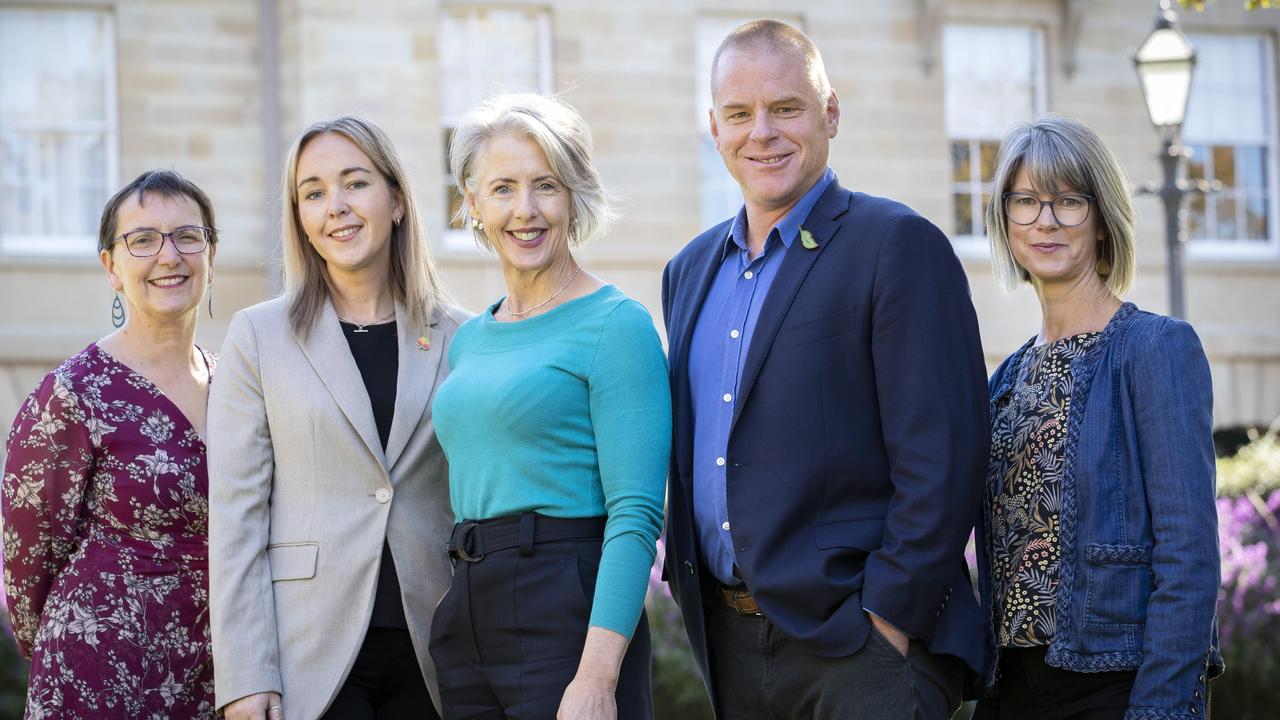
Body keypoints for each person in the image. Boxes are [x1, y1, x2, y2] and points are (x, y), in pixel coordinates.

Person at [661, 20, 989, 719]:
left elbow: (944, 454)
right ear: (713, 127)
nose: (763, 133)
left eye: (786, 108)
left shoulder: (895, 245)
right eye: (740, 114)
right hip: (731, 648)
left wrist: (888, 623)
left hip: (857, 653)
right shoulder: (687, 272)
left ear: (829, 112)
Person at [208, 116, 463, 720]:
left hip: (435, 651)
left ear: (397, 199)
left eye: (355, 183)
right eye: (314, 193)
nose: (337, 207)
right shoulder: (258, 336)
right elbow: (237, 516)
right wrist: (244, 677)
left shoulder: (461, 335)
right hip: (309, 653)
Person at [428, 93, 670, 720]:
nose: (526, 210)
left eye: (546, 186)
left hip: (568, 611)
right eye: (503, 188)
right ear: (473, 205)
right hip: (470, 608)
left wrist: (595, 678)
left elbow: (637, 514)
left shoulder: (616, 324)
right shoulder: (471, 338)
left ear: (574, 197)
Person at [973, 113, 1222, 719]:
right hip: (1011, 688)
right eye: (1026, 201)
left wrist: (1161, 707)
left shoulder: (1153, 349)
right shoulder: (1006, 378)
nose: (1046, 221)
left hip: (1115, 685)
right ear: (1005, 223)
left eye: (1069, 201)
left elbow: (1188, 556)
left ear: (1104, 220)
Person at [2, 170, 219, 718]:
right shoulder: (75, 392)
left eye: (186, 236)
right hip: (100, 671)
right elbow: (27, 555)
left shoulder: (238, 386)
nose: (168, 256)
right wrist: (63, 641)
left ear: (210, 255)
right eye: (142, 240)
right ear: (112, 269)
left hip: (219, 676)